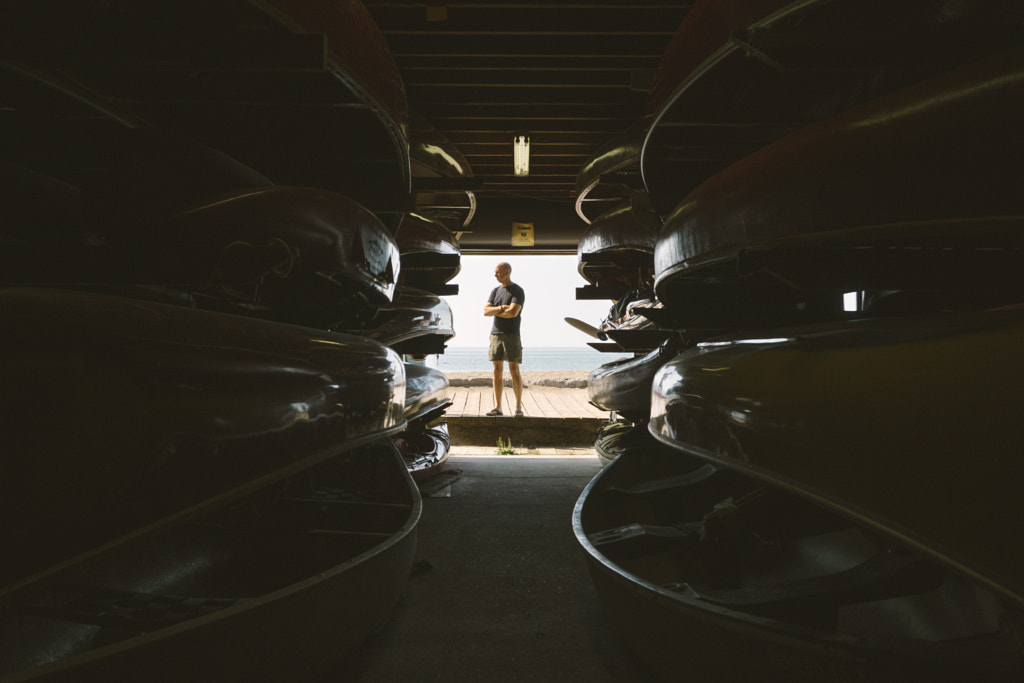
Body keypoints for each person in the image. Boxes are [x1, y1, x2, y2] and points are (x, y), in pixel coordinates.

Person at [482, 261, 524, 416]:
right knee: (496, 371)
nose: (495, 275)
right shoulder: (495, 291)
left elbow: (513, 313)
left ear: (506, 272)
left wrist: (495, 311)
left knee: (514, 370)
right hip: (495, 334)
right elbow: (485, 311)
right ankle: (498, 407)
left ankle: (518, 407)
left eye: (497, 272)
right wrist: (501, 308)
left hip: (512, 334)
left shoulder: (517, 291)